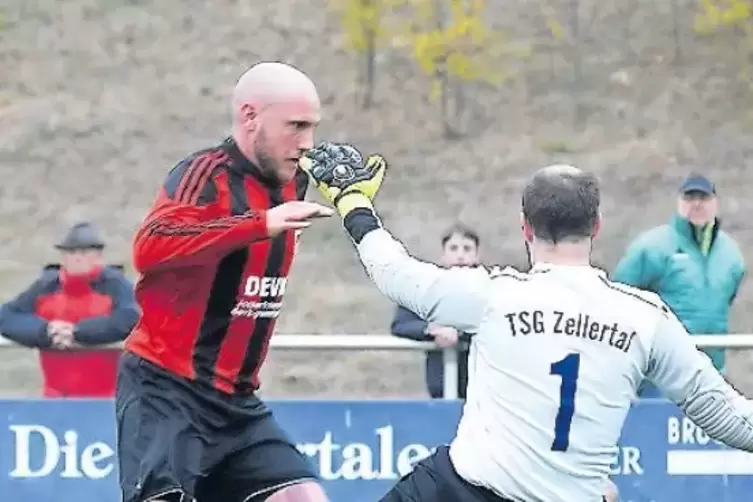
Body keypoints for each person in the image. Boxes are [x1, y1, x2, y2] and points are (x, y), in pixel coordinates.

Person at [300, 146, 753, 502]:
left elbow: (395, 273)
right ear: (596, 227)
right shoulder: (644, 317)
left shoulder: (494, 295)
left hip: (463, 491)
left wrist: (353, 201)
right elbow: (724, 412)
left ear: (524, 227)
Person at [116, 62, 334, 502]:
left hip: (235, 402)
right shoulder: (204, 175)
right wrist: (260, 223)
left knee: (303, 498)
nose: (307, 143)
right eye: (295, 126)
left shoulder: (295, 179)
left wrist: (353, 199)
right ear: (250, 117)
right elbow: (150, 247)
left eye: (312, 128)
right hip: (167, 389)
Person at [613, 174, 744, 378]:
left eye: (704, 198)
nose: (697, 204)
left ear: (715, 203)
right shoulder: (652, 246)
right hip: (660, 375)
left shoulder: (731, 254)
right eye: (690, 198)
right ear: (679, 203)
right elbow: (619, 297)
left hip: (713, 374)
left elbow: (727, 298)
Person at [0, 221, 138, 397]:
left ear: (98, 256)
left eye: (84, 252)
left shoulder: (115, 284)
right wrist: (46, 331)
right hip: (56, 397)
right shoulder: (46, 285)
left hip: (107, 399)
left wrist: (78, 332)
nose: (77, 258)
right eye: (71, 252)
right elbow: (7, 316)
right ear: (63, 257)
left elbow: (129, 318)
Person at [390, 223, 480, 399]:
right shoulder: (425, 289)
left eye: (467, 249)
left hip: (482, 387)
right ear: (443, 255)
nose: (460, 255)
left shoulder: (493, 288)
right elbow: (400, 325)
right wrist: (433, 329)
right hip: (440, 384)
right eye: (453, 248)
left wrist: (459, 332)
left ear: (477, 255)